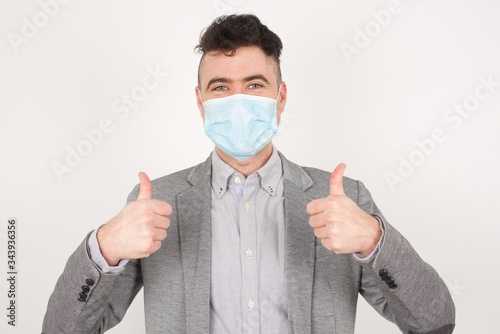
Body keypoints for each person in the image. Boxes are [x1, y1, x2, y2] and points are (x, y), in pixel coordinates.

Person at [42, 14, 455, 334]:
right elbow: (65, 328)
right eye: (221, 87)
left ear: (281, 97)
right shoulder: (155, 203)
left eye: (255, 85)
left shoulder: (345, 201)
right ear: (201, 103)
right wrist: (104, 248)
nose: (238, 99)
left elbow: (434, 321)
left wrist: (373, 240)